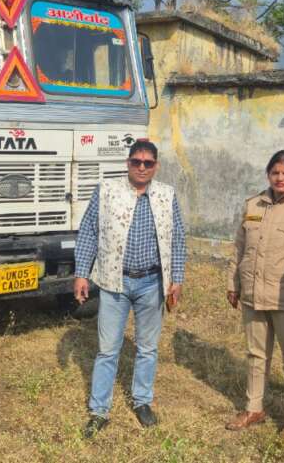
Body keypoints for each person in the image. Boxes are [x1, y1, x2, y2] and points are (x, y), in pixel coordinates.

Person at [72, 140, 186, 438]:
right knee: (107, 350)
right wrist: (82, 273)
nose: (142, 167)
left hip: (152, 283)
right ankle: (99, 410)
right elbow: (88, 232)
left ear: (156, 166)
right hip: (114, 283)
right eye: (137, 161)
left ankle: (142, 401)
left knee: (147, 348)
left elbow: (177, 239)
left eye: (148, 163)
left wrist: (176, 279)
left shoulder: (166, 195)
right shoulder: (107, 191)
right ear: (128, 162)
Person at [224, 150, 284, 446]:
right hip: (253, 294)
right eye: (275, 172)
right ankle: (254, 408)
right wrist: (233, 282)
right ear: (268, 173)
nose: (280, 178)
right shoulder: (253, 204)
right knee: (256, 355)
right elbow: (240, 248)